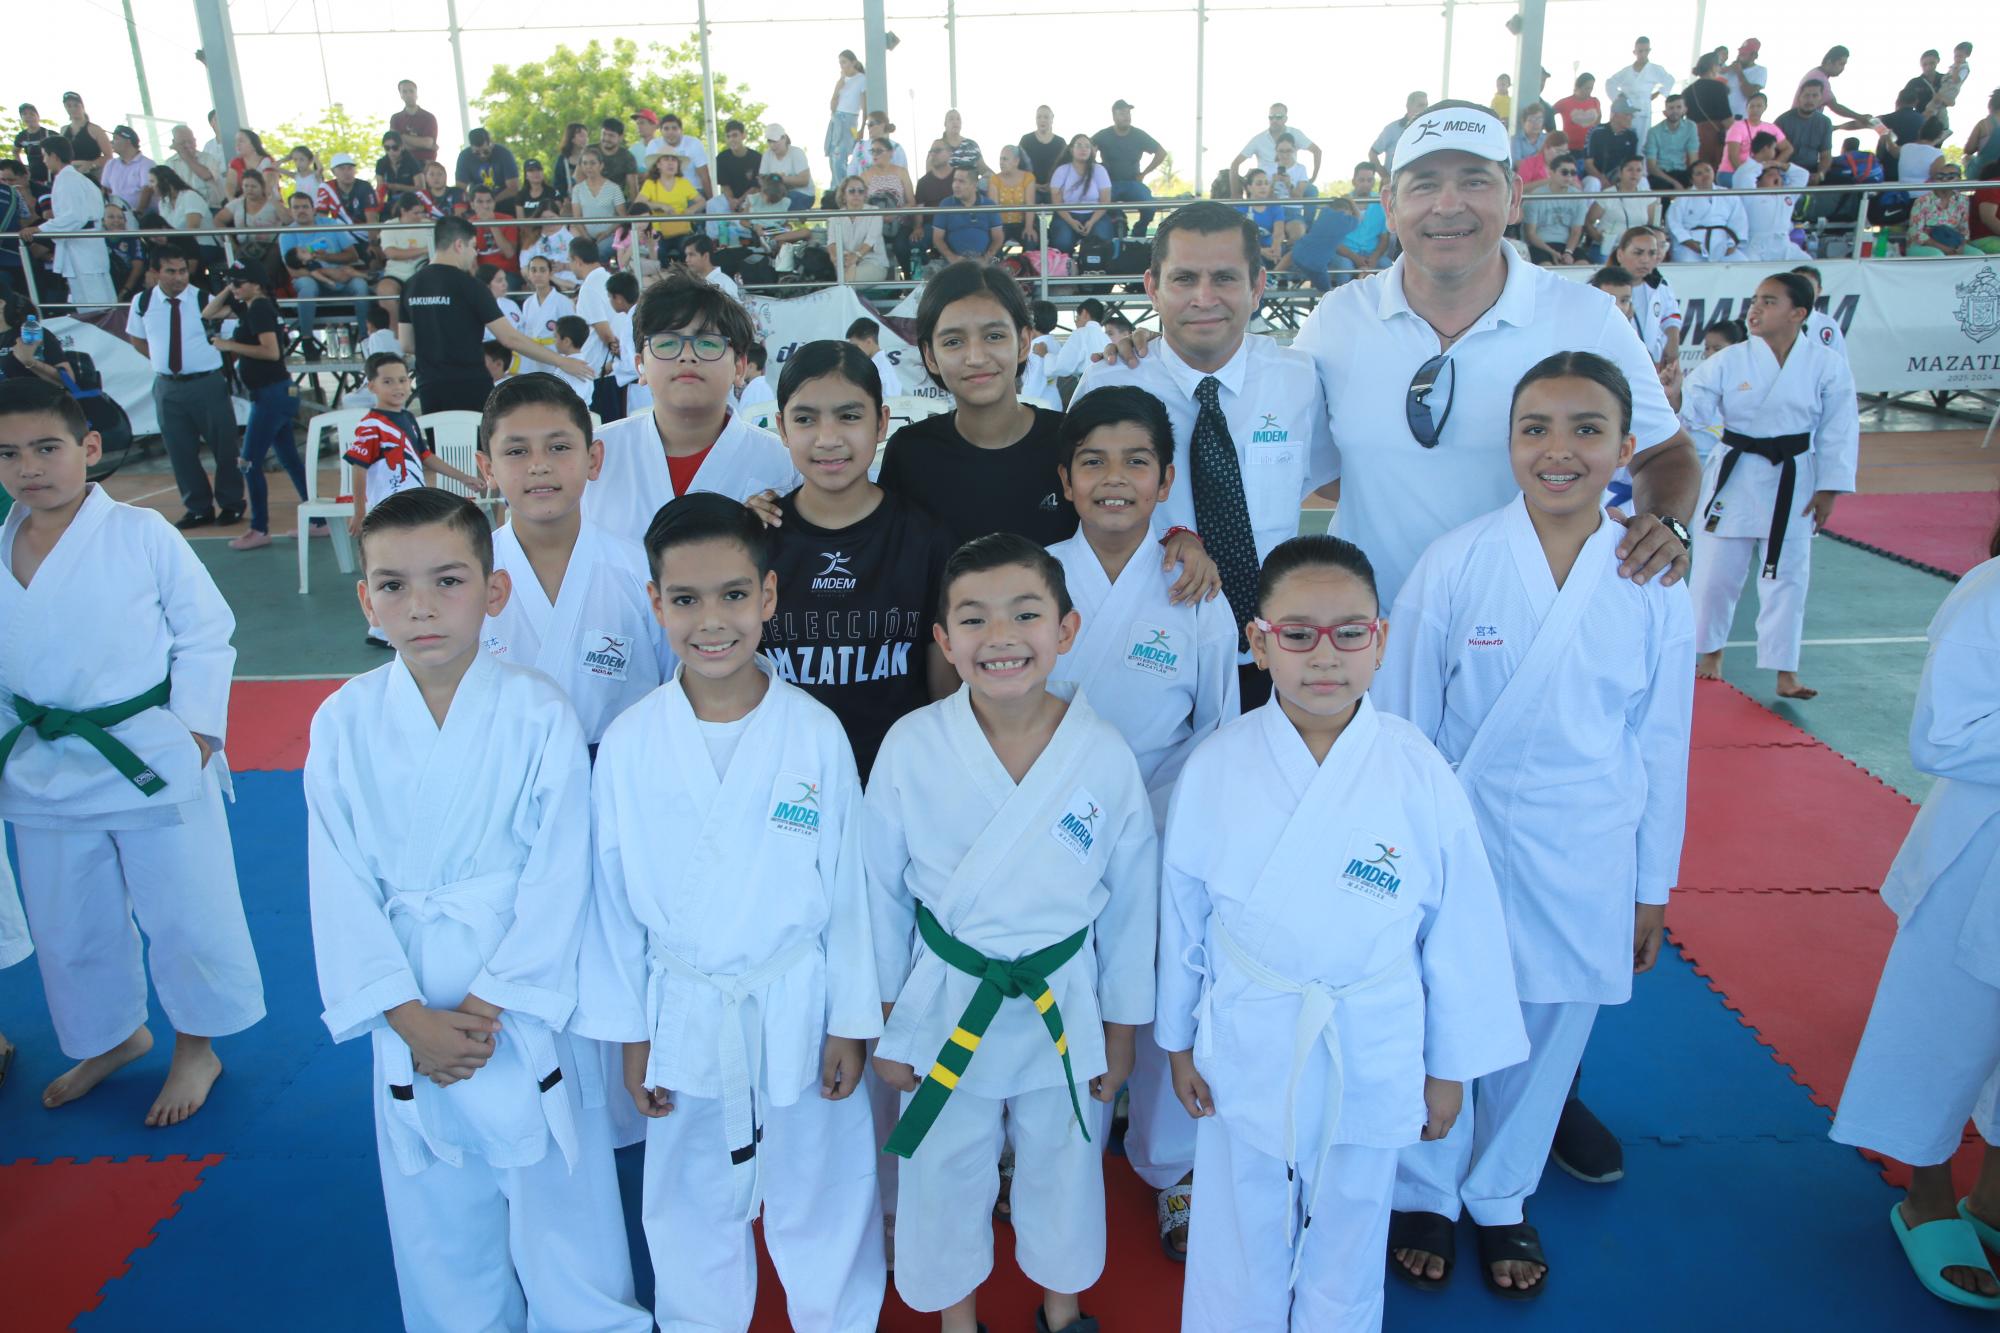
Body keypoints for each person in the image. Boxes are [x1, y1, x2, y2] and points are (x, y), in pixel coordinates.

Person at [1378, 352, 1693, 1299]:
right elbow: (1400, 721)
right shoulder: (1458, 560)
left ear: (1627, 449)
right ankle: (1426, 1183)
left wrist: (1653, 884)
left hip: (1589, 837)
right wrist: (1399, 858)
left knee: (1551, 1026)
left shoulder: (1653, 577)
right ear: (1509, 444)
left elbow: (1663, 741)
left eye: (1587, 429)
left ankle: (1502, 1192)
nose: (1560, 451)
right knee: (1443, 1012)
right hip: (1458, 831)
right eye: (1537, 429)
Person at [1161, 531, 1527, 1328]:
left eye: (1349, 632)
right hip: (1252, 1025)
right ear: (1258, 643)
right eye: (1297, 634)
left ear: (1381, 641)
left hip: (1371, 1031)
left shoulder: (1417, 769)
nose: (1323, 657)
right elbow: (1184, 913)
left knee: (1355, 1222)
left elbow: (1459, 934)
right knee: (1238, 1215)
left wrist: (1449, 1070)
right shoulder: (1217, 765)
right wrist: (1178, 1037)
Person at [305, 487, 648, 1333]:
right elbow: (337, 884)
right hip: (409, 1000)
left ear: (492, 592)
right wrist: (404, 1013)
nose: (419, 606)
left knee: (562, 1206)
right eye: (391, 585)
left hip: (518, 1009)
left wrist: (492, 1003)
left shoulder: (538, 709)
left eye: (447, 580)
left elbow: (562, 873)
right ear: (365, 599)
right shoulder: (342, 721)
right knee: (438, 1215)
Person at [578, 487, 887, 1331]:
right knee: (686, 1201)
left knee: (822, 1191)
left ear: (769, 598)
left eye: (732, 596)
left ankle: (836, 1317)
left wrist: (850, 1022)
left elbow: (851, 895)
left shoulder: (814, 731)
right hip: (682, 1006)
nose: (710, 621)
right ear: (655, 604)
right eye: (684, 600)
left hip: (798, 998)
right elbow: (611, 905)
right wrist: (633, 1036)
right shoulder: (633, 742)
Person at [867, 529, 1157, 1333]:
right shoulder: (911, 745)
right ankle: (957, 1319)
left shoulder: (1100, 753)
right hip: (943, 998)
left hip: (1062, 1001)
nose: (1000, 638)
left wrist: (1124, 1027)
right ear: (943, 640)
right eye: (973, 619)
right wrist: (887, 1012)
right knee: (942, 1170)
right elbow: (879, 892)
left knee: (1065, 1163)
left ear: (1066, 630)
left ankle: (1063, 1312)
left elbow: (1134, 900)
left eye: (1025, 614)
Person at [0, 377, 264, 1125]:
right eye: (9, 453)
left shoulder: (143, 534)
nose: (30, 466)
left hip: (149, 754)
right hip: (42, 764)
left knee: (185, 911)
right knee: (68, 919)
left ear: (88, 448)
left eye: (47, 447)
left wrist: (198, 730)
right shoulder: (0, 546)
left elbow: (205, 632)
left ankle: (196, 1044)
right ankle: (110, 1035)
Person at [1045, 386, 1239, 1260]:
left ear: (1167, 482)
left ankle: (1171, 1161)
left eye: (1136, 463)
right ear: (1065, 478)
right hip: (1048, 821)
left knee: (1165, 987)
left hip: (1164, 818)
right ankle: (1043, 1151)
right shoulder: (1036, 576)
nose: (1114, 479)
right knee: (1054, 986)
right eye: (1093, 461)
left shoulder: (1194, 592)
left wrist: (1185, 831)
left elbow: (1221, 732)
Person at [1829, 510, 2000, 1312]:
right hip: (1980, 854)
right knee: (1942, 1028)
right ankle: (1925, 1193)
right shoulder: (1990, 592)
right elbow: (1939, 739)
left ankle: (1994, 1201)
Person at [1076, 201, 1331, 711]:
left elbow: (1331, 483)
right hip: (1148, 648)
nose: (1205, 298)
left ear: (1258, 286)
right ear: (1152, 287)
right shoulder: (1109, 381)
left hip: (1271, 653)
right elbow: (1081, 512)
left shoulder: (1300, 380)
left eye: (1225, 278)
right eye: (1185, 278)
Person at [761, 340, 957, 778]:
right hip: (783, 777)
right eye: (805, 419)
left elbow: (942, 680)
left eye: (849, 416)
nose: (828, 438)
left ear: (881, 422)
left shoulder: (925, 538)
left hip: (898, 778)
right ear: (782, 428)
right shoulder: (758, 539)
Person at [472, 372, 668, 751]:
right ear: (488, 469)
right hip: (502, 778)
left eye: (559, 447)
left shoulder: (640, 572)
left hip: (619, 778)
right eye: (516, 451)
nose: (539, 465)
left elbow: (674, 688)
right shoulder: (465, 577)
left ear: (594, 459)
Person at [1686, 272, 1857, 701]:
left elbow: (1840, 429)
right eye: (1755, 300)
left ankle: (1785, 671)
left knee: (1788, 576)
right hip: (1735, 474)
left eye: (1769, 301)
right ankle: (1709, 652)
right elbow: (1692, 409)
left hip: (1795, 478)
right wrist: (1674, 394)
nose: (1755, 309)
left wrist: (1830, 488)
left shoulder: (1826, 364)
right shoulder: (1728, 360)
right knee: (1713, 575)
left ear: (1799, 313)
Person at [876, 263, 1078, 548]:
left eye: (993, 336)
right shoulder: (909, 453)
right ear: (930, 355)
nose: (975, 357)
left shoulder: (1071, 443)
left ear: (1022, 342)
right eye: (954, 341)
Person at [584, 277, 797, 546]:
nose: (687, 355)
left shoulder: (785, 463)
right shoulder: (593, 455)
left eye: (708, 343)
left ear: (740, 367)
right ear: (640, 366)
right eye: (666, 343)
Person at [399, 216, 592, 413]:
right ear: (459, 245)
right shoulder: (471, 286)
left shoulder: (410, 285)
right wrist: (562, 361)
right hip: (469, 384)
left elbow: (406, 343)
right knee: (478, 444)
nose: (474, 253)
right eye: (473, 246)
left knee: (440, 442)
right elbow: (509, 338)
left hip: (430, 385)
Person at [125, 248, 244, 529]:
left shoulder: (204, 299)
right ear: (155, 273)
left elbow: (230, 338)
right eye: (170, 271)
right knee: (179, 451)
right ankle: (197, 507)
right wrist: (164, 364)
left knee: (224, 446)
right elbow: (137, 339)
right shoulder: (142, 302)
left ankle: (231, 503)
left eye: (182, 271)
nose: (178, 277)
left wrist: (203, 360)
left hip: (207, 382)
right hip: (167, 386)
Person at [208, 264, 310, 551]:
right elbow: (209, 313)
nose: (235, 287)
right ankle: (317, 519)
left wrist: (229, 345)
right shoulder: (251, 308)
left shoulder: (260, 310)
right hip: (271, 394)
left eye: (241, 282)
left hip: (271, 395)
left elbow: (271, 351)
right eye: (232, 283)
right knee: (289, 459)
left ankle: (259, 527)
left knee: (248, 462)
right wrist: (230, 287)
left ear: (257, 284)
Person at [345, 350, 482, 542]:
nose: (397, 386)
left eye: (402, 380)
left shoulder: (408, 418)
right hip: (387, 507)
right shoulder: (371, 425)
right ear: (371, 386)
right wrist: (359, 511)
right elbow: (358, 467)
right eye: (387, 381)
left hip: (414, 501)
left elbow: (425, 456)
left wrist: (464, 477)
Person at [281, 190, 370, 353]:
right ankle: (306, 339)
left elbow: (352, 255)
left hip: (341, 278)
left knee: (360, 285)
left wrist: (329, 257)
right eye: (296, 207)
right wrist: (326, 273)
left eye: (305, 207)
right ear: (290, 211)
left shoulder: (331, 224)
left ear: (313, 209)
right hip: (311, 279)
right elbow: (293, 271)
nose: (301, 211)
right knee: (307, 287)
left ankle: (365, 338)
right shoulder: (286, 234)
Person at [28, 139, 110, 307]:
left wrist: (39, 228)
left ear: (54, 156)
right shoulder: (77, 179)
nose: (43, 161)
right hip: (86, 245)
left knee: (94, 302)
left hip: (82, 247)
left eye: (45, 155)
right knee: (93, 299)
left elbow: (74, 217)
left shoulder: (69, 180)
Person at [1612, 225, 1682, 367]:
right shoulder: (1603, 288)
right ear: (1620, 254)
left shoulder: (1660, 286)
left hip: (1651, 365)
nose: (1645, 260)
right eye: (1638, 253)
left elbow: (1671, 316)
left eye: (1652, 253)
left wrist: (1673, 342)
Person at [1095, 100, 1165, 238]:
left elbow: (1161, 153)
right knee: (1097, 206)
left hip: (1133, 183)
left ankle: (1139, 231)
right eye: (1121, 112)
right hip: (1109, 185)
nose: (1126, 116)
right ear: (1114, 116)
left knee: (1150, 206)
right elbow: (1085, 150)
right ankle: (1116, 227)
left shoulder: (1139, 135)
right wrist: (1097, 171)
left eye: (1128, 112)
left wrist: (1145, 173)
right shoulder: (1103, 135)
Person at [1522, 156, 1597, 265]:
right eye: (1564, 172)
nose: (1569, 177)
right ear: (1551, 172)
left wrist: (1568, 252)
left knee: (1583, 265)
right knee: (1546, 267)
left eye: (1573, 173)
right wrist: (1552, 252)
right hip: (1541, 245)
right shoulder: (1536, 196)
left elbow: (1576, 231)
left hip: (1568, 246)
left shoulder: (1578, 197)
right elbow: (1530, 234)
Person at [1666, 161, 1747, 260]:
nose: (1705, 175)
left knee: (1740, 261)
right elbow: (1674, 224)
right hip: (1692, 244)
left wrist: (1732, 244)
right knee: (1687, 263)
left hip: (1723, 243)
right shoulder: (1682, 199)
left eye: (1708, 170)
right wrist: (1689, 242)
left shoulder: (1728, 195)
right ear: (1692, 180)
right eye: (1699, 174)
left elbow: (1739, 221)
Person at [1049, 135, 1114, 253]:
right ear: (1071, 149)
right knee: (1062, 242)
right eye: (1079, 145)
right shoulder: (1061, 170)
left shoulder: (1099, 170)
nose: (1083, 149)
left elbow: (1105, 201)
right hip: (1066, 215)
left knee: (1102, 238)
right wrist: (1071, 222)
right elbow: (1056, 202)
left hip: (1095, 214)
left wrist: (1092, 221)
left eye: (1087, 146)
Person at [1606, 36, 1677, 142]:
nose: (1643, 54)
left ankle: (1640, 159)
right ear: (1634, 52)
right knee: (1622, 139)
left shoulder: (1655, 69)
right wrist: (1620, 98)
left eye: (1646, 50)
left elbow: (1670, 80)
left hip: (1643, 109)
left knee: (1642, 141)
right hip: (1625, 110)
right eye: (1640, 51)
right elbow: (1610, 83)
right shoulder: (1626, 72)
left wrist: (1658, 93)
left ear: (1650, 51)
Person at [1234, 104, 1323, 186]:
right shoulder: (1258, 139)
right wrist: (1235, 193)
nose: (1274, 120)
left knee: (1311, 191)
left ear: (1286, 119)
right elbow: (1235, 163)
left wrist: (1313, 178)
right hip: (1265, 187)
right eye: (1271, 117)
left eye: (1278, 117)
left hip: (1293, 182)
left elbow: (1317, 151)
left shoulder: (1296, 134)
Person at [932, 166, 1004, 265]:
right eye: (954, 180)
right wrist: (952, 258)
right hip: (954, 264)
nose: (955, 185)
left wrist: (986, 258)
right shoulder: (945, 204)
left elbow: (998, 237)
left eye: (961, 181)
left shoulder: (989, 205)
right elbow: (937, 238)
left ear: (974, 185)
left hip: (984, 263)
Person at [1778, 80, 1837, 184]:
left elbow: (1826, 155)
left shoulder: (1825, 122)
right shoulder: (1782, 121)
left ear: (1820, 98)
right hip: (1787, 170)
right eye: (1806, 95)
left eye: (1815, 95)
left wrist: (1820, 174)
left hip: (1812, 171)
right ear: (1799, 97)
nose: (1810, 100)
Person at [1801, 45, 1874, 129]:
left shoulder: (1815, 73)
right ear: (1829, 62)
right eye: (1841, 64)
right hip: (1804, 127)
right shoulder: (1820, 80)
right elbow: (1835, 106)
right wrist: (1860, 117)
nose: (1843, 68)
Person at [825, 47, 870, 183]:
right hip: (836, 119)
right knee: (833, 157)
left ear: (853, 62)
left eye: (844, 62)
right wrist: (839, 85)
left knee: (841, 156)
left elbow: (864, 106)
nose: (842, 66)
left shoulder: (862, 79)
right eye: (840, 63)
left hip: (850, 120)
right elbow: (832, 106)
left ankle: (843, 187)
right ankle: (835, 188)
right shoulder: (842, 81)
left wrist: (862, 128)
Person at [1683, 55, 1736, 169]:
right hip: (1713, 138)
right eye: (1719, 65)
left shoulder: (1687, 91)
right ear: (1713, 67)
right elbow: (1727, 120)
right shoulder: (1718, 87)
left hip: (1693, 138)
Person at [1724, 93, 1790, 177]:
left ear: (1765, 107)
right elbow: (1733, 156)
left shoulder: (1772, 128)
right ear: (1746, 108)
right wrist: (1745, 175)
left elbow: (1788, 149)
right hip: (1732, 172)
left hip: (1761, 173)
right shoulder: (1737, 127)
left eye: (1759, 106)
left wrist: (1774, 166)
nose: (1755, 109)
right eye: (1752, 106)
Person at [1642, 94, 1698, 190]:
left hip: (1682, 172)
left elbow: (1693, 159)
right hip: (1660, 174)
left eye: (1678, 107)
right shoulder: (1654, 132)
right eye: (1671, 108)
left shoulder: (1691, 127)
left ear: (1685, 110)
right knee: (1660, 187)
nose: (1675, 111)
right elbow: (1651, 167)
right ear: (1665, 112)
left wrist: (1694, 179)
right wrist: (1675, 183)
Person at [1371, 91, 1432, 175]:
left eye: (1426, 105)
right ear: (1408, 107)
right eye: (1421, 105)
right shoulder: (1392, 129)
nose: (1425, 109)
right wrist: (1384, 176)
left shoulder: (1430, 131)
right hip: (1392, 184)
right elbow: (1372, 153)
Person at [1585, 100, 1642, 189]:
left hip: (1621, 175)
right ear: (1615, 115)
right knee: (1593, 183)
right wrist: (1601, 178)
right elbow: (1588, 164)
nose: (1632, 117)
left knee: (1642, 181)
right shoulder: (1596, 132)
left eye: (1632, 115)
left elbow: (1633, 163)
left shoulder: (1632, 135)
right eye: (1628, 114)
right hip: (1597, 175)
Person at [991, 144, 1038, 246]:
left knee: (1031, 241)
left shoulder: (1028, 178)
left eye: (1005, 159)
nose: (1001, 162)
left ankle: (1025, 262)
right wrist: (996, 231)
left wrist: (1029, 227)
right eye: (1000, 159)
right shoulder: (994, 179)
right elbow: (993, 209)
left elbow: (1030, 205)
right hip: (1000, 225)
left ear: (1016, 161)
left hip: (1022, 223)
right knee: (993, 243)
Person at [760, 125, 815, 211]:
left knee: (784, 200)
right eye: (770, 141)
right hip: (777, 195)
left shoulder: (797, 153)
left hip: (803, 194)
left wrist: (781, 179)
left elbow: (804, 181)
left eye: (775, 141)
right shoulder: (767, 155)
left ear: (784, 138)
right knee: (756, 199)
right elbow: (762, 179)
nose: (772, 145)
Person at [1018, 105, 1067, 196]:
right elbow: (1018, 165)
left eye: (1046, 117)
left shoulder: (1060, 142)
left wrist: (1054, 184)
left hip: (1055, 189)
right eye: (1039, 117)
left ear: (1052, 119)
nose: (1042, 120)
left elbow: (1065, 167)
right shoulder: (1026, 140)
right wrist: (1031, 184)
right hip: (1030, 188)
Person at [389, 78, 439, 164]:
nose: (408, 94)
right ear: (400, 95)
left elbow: (427, 143)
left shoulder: (429, 117)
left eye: (411, 91)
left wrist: (401, 136)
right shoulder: (395, 118)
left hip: (426, 165)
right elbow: (394, 145)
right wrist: (425, 145)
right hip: (403, 163)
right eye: (404, 91)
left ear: (416, 94)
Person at [1552, 74, 1603, 152]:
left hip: (1590, 147)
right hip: (1569, 148)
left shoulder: (1595, 101)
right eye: (1587, 88)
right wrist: (1553, 132)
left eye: (1591, 88)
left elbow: (1598, 122)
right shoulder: (1565, 102)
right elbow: (1548, 114)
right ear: (1578, 87)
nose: (1589, 91)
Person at [1724, 38, 1768, 119]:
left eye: (1744, 53)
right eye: (1740, 52)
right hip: (1722, 118)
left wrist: (1739, 72)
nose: (1740, 55)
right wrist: (1726, 69)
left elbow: (1750, 94)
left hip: (1741, 119)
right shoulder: (1730, 70)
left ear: (1754, 56)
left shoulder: (1760, 71)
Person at [376, 130, 422, 195]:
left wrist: (399, 187)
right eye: (387, 148)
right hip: (391, 201)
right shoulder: (381, 163)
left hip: (412, 199)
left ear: (402, 147)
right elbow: (379, 188)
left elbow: (421, 188)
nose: (391, 151)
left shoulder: (412, 162)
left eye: (395, 147)